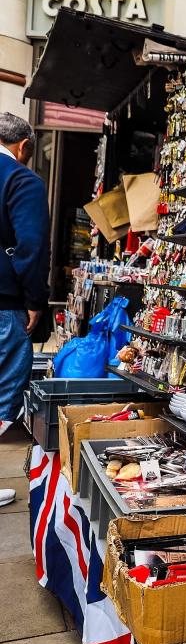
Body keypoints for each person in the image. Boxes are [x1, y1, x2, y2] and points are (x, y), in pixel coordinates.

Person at [0, 113, 50, 462]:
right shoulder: (22, 180)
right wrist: (35, 300)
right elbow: (31, 246)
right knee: (4, 393)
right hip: (4, 305)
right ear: (24, 146)